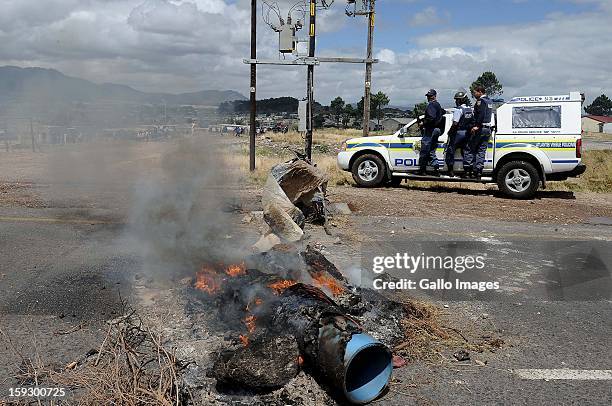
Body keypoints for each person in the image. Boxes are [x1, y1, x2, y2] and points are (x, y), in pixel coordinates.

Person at [464, 85, 493, 179]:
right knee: (481, 150)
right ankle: (479, 172)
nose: (473, 94)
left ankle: (468, 171)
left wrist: (477, 126)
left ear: (480, 92)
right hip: (487, 129)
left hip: (480, 129)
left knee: (469, 148)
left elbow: (481, 114)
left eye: (475, 92)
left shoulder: (481, 101)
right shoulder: (489, 101)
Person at [444, 90, 474, 177]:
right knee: (466, 152)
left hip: (458, 133)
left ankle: (450, 171)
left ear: (461, 100)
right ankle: (467, 171)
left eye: (457, 100)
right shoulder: (469, 110)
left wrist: (450, 131)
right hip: (467, 133)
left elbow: (455, 123)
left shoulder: (458, 110)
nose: (456, 101)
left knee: (450, 150)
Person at [417, 89, 444, 176]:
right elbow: (442, 113)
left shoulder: (431, 105)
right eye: (428, 96)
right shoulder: (438, 105)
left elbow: (431, 118)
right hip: (437, 130)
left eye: (430, 96)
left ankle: (422, 170)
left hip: (430, 130)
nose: (428, 98)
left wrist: (423, 122)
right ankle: (436, 169)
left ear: (434, 96)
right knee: (431, 150)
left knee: (424, 150)